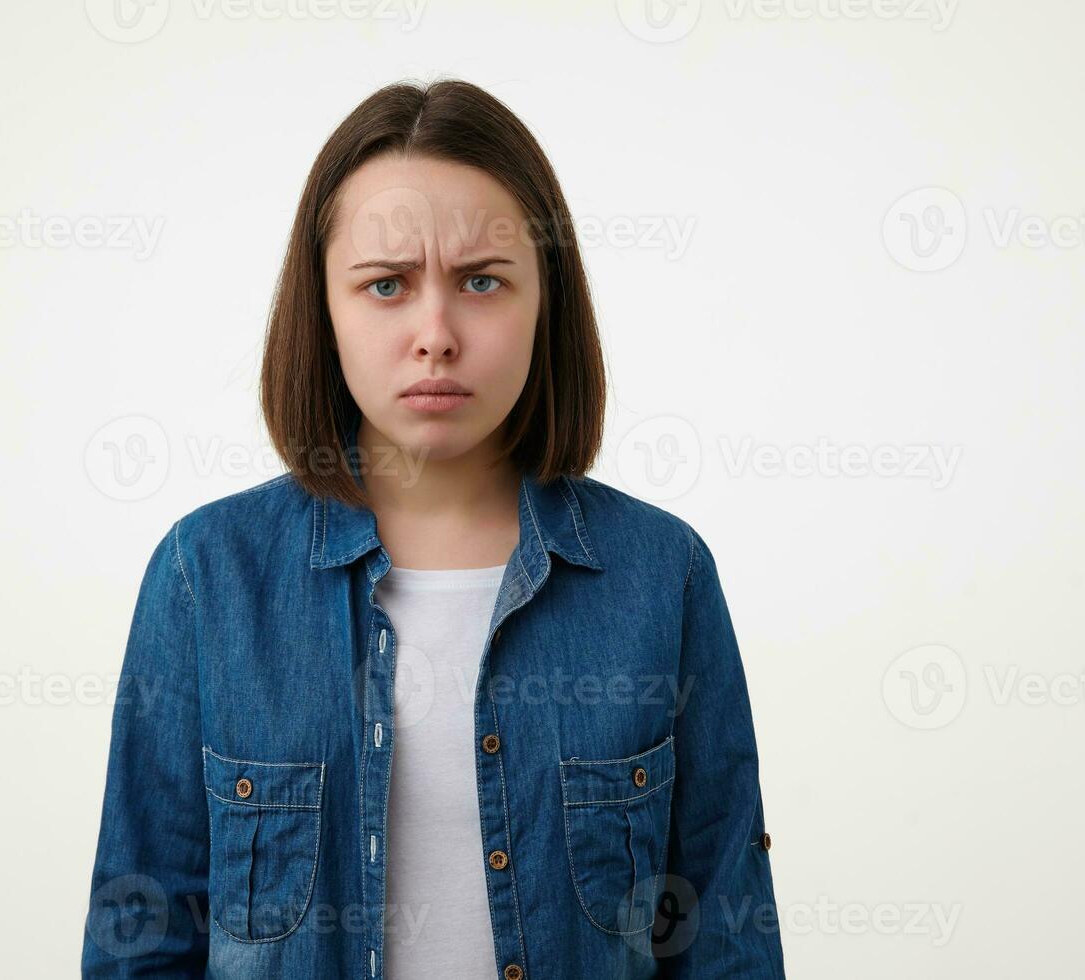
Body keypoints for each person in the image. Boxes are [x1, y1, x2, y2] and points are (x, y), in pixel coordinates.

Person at [82, 77, 786, 980]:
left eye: (483, 281)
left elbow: (724, 939)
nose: (436, 333)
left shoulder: (663, 574)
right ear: (324, 307)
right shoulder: (206, 576)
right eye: (385, 286)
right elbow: (141, 941)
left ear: (546, 301)